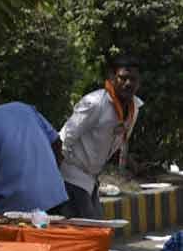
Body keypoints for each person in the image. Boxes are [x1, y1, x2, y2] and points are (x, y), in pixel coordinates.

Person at [59, 54, 143, 219]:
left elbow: (117, 140)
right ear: (112, 77)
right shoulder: (95, 103)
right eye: (123, 78)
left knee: (96, 230)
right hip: (72, 175)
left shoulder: (135, 108)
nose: (128, 83)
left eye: (133, 79)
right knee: (92, 230)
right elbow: (63, 138)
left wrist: (130, 162)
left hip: (91, 178)